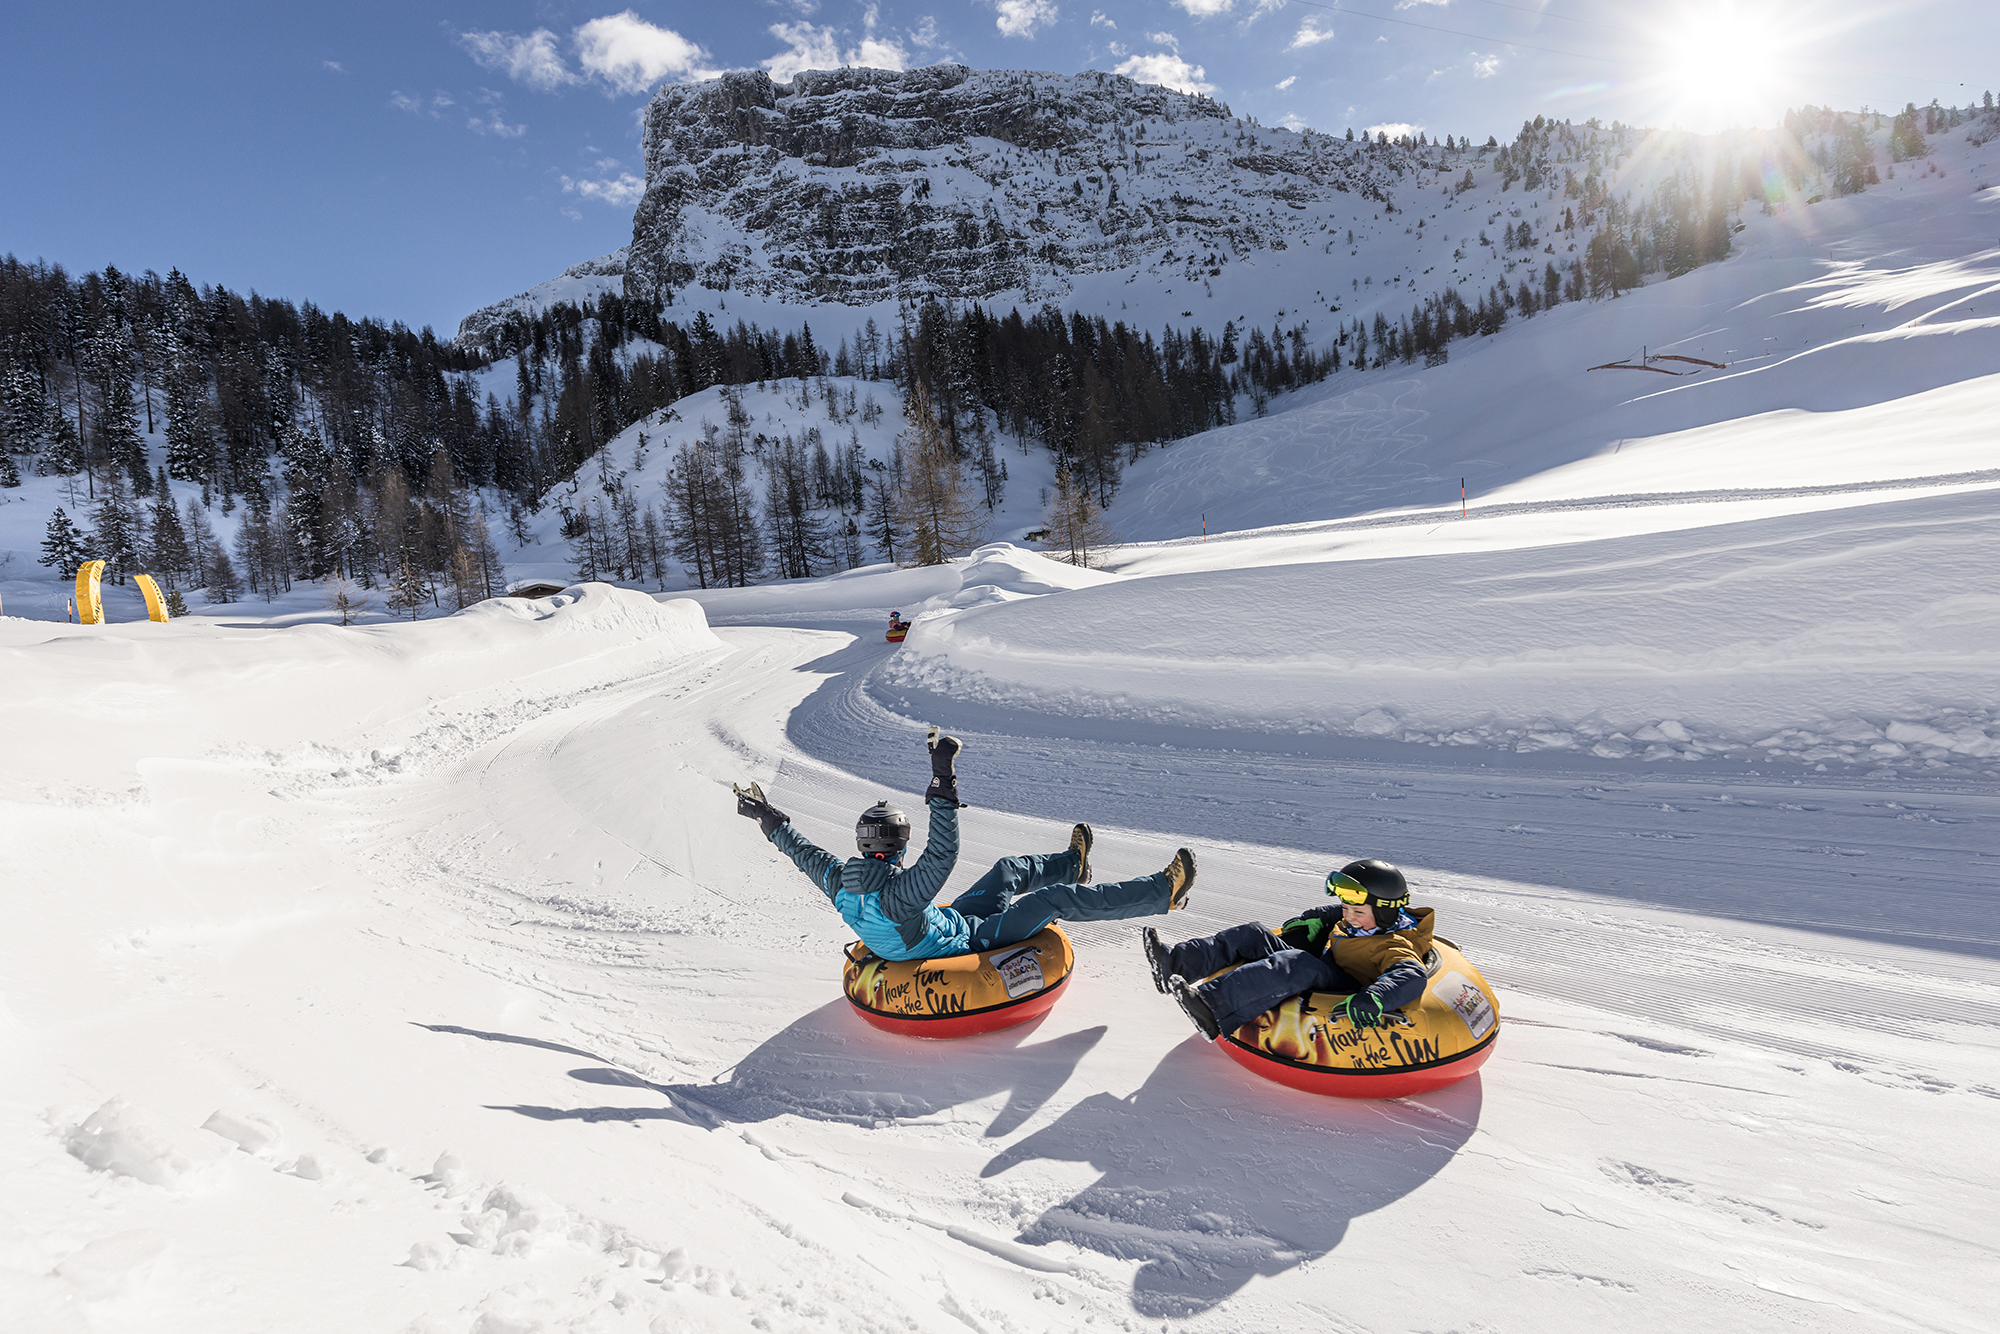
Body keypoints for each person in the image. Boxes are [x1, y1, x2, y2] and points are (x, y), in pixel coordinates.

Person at [735, 732, 1196, 960]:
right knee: (1049, 902)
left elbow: (800, 851)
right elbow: (941, 855)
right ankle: (1161, 894)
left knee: (1006, 869)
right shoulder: (900, 895)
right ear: (899, 845)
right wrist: (943, 781)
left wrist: (764, 815)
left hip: (950, 920)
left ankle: (1073, 864)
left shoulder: (839, 881)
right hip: (967, 942)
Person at [1144, 860, 1432, 1041]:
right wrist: (1318, 916)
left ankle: (1212, 1009)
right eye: (1346, 908)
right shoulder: (1357, 920)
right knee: (1253, 933)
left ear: (1384, 913)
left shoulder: (1395, 944)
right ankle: (1175, 964)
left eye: (1356, 911)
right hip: (1329, 965)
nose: (1348, 916)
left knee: (1297, 963)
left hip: (1346, 988)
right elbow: (1336, 912)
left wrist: (1374, 998)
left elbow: (1410, 973)